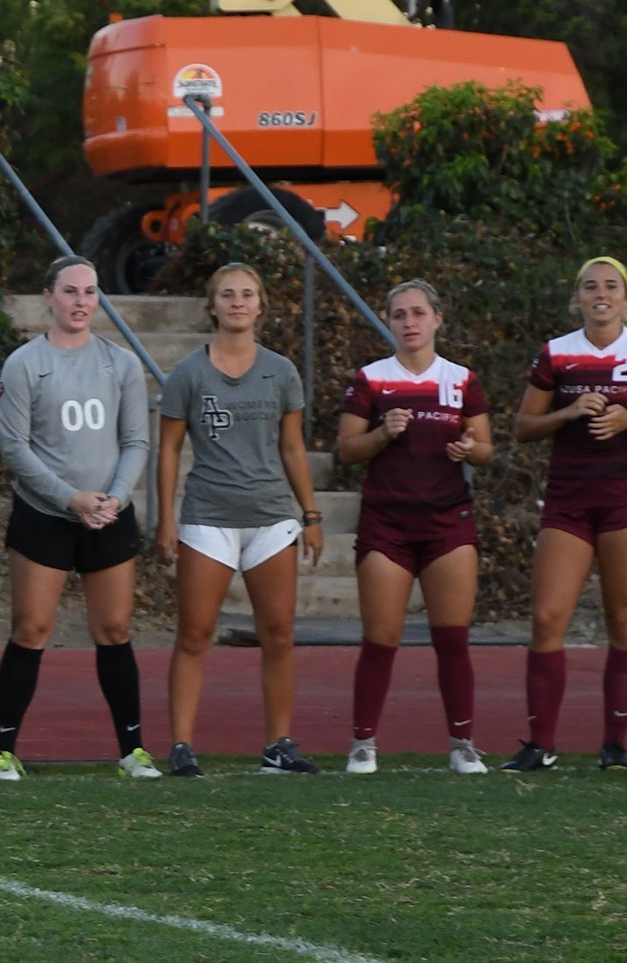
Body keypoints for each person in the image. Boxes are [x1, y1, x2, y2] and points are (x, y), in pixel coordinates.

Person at [0, 255, 160, 781]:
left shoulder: (120, 362)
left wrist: (112, 497)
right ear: (49, 296)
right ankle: (3, 752)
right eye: (71, 291)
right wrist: (70, 499)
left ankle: (133, 751)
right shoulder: (24, 364)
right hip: (46, 514)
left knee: (113, 629)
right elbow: (14, 448)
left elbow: (135, 440)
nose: (82, 301)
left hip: (108, 515)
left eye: (90, 292)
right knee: (32, 628)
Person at [155, 261, 323, 777]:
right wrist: (166, 521)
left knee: (278, 634)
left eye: (247, 294)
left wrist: (311, 512)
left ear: (261, 305)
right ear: (212, 305)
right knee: (194, 633)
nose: (237, 302)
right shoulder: (188, 372)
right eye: (227, 294)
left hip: (271, 517)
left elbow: (292, 447)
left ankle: (279, 743)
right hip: (209, 517)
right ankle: (182, 746)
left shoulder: (281, 371)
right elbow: (168, 451)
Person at [335, 280, 492, 774]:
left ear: (437, 319)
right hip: (387, 523)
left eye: (418, 313)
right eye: (400, 314)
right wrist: (383, 432)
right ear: (390, 321)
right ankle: (363, 743)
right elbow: (347, 451)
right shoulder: (371, 379)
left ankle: (462, 744)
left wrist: (471, 450)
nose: (409, 322)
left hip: (449, 521)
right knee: (381, 638)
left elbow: (487, 449)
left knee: (453, 638)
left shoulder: (461, 379)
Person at [504, 255, 627, 773]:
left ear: (624, 296)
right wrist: (568, 412)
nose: (601, 293)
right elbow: (523, 427)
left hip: (623, 499)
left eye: (611, 286)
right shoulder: (558, 353)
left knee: (622, 621)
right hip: (569, 501)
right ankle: (541, 743)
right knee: (548, 618)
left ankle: (617, 743)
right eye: (590, 286)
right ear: (576, 296)